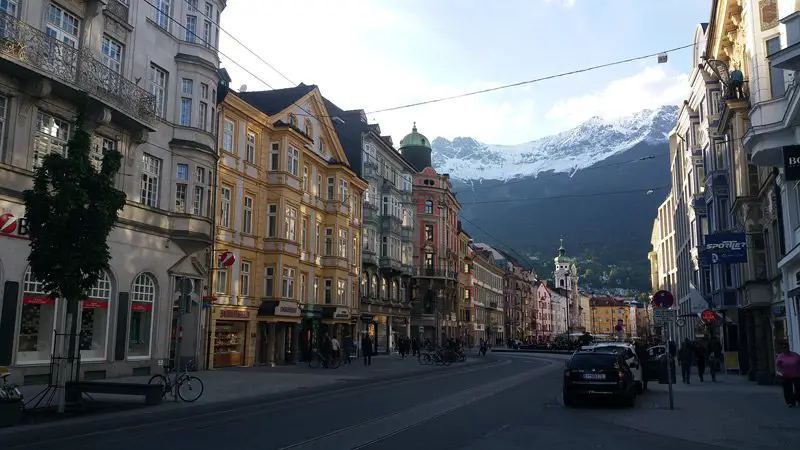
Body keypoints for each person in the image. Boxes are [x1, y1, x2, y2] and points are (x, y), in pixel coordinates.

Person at [776, 342, 800, 407]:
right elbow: (778, 366)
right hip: (786, 375)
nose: (785, 349)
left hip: (796, 374)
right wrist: (781, 371)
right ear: (781, 349)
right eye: (783, 348)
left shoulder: (795, 355)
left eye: (786, 347)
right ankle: (790, 402)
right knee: (787, 389)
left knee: (798, 388)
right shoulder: (780, 357)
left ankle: (798, 399)